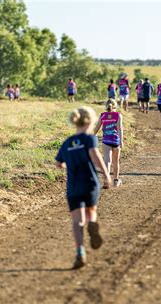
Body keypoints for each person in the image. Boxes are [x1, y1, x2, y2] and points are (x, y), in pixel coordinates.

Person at [55, 106, 111, 269]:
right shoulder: (89, 139)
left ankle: (80, 252)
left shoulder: (67, 143)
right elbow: (96, 156)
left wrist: (69, 164)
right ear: (91, 121)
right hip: (90, 183)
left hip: (73, 187)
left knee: (77, 221)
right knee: (91, 212)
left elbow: (59, 163)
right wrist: (106, 175)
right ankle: (92, 224)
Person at [95, 99, 123, 187]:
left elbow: (97, 128)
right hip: (115, 141)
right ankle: (116, 181)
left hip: (106, 140)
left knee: (107, 161)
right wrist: (121, 141)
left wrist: (91, 136)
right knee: (115, 161)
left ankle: (106, 181)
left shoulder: (102, 115)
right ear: (115, 105)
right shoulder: (118, 115)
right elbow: (119, 129)